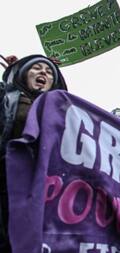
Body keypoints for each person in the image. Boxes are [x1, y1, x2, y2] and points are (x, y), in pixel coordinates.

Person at [0, 54, 68, 252]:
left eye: (48, 72)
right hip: (6, 178)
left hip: (41, 187)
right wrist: (12, 71)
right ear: (23, 74)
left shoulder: (59, 109)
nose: (43, 74)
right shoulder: (6, 96)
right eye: (36, 68)